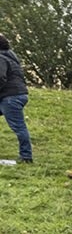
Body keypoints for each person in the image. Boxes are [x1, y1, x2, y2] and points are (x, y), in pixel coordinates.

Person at [0, 35, 31, 164]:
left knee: (19, 127)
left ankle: (26, 156)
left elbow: (1, 78)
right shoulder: (11, 57)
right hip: (18, 94)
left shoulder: (1, 58)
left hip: (10, 97)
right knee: (19, 126)